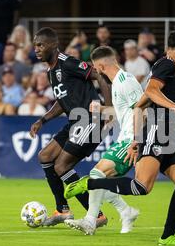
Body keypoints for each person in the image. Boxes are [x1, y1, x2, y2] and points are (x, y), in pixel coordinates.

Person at [65, 30, 175, 246]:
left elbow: (140, 104)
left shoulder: (153, 72)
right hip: (157, 130)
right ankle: (92, 185)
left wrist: (135, 139)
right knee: (141, 187)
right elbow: (150, 94)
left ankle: (167, 236)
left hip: (166, 133)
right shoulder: (167, 64)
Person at [29, 27, 112, 227]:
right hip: (76, 120)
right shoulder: (51, 70)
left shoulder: (68, 63)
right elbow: (62, 100)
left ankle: (97, 215)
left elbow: (100, 75)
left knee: (61, 166)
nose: (37, 50)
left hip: (89, 119)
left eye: (40, 45)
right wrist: (43, 120)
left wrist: (108, 108)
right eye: (35, 46)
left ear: (53, 45)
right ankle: (62, 210)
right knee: (45, 156)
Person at [64, 46, 142, 235]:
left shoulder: (125, 81)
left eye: (95, 68)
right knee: (100, 180)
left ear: (99, 66)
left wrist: (137, 142)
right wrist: (103, 111)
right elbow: (124, 112)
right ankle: (126, 211)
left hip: (130, 140)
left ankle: (91, 221)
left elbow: (142, 110)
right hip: (126, 138)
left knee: (96, 174)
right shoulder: (117, 83)